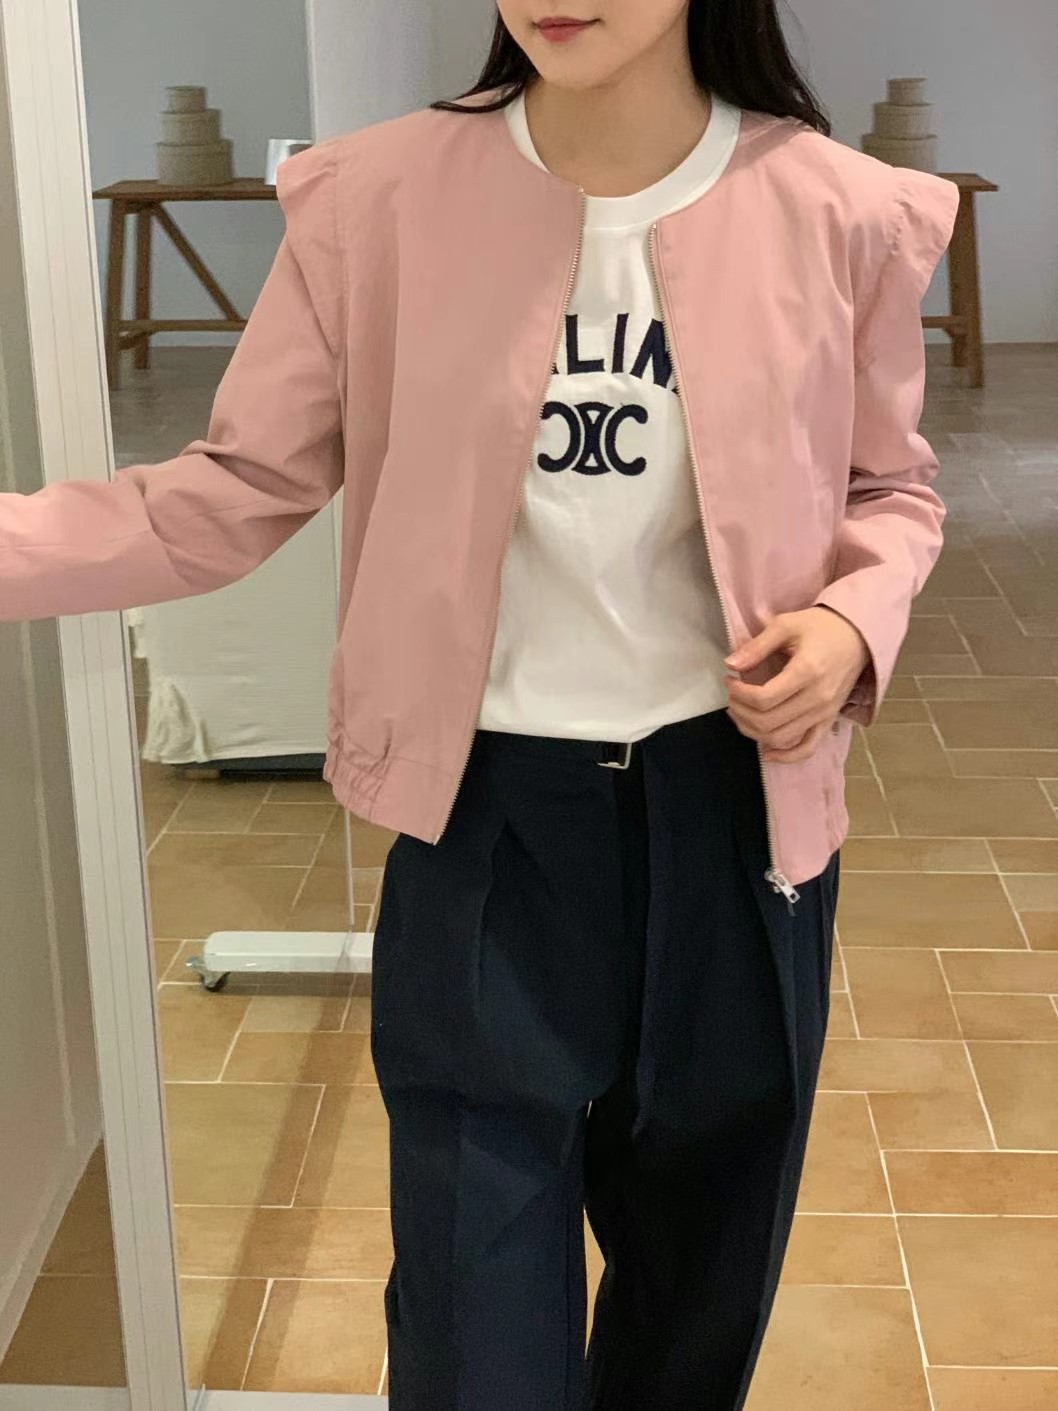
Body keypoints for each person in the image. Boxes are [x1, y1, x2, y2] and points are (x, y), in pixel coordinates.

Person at [1, 3, 960, 1407]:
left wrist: (848, 620)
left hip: (736, 823)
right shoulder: (378, 199)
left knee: (700, 1282)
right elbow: (230, 492)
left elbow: (892, 489)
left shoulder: (840, 211)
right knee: (472, 1308)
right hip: (489, 819)